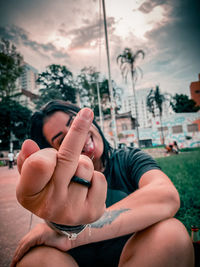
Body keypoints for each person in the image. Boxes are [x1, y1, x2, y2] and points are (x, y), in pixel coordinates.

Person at [11, 100, 194, 267]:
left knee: (170, 235)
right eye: (62, 139)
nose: (78, 135)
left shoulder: (129, 159)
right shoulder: (55, 182)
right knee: (34, 260)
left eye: (75, 124)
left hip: (137, 255)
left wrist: (76, 235)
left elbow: (166, 196)